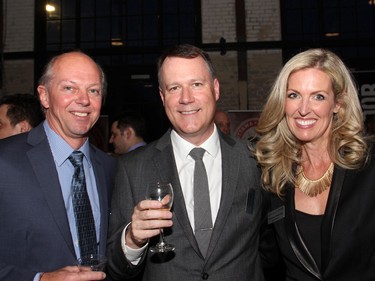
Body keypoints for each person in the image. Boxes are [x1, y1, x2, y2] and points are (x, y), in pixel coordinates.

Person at [106, 44, 264, 281]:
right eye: (174, 88)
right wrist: (132, 240)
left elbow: (272, 246)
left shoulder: (254, 159)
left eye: (197, 84)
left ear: (216, 89)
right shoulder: (132, 168)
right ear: (162, 97)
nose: (186, 98)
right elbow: (116, 269)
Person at [254, 48, 375, 280]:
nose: (303, 109)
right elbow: (264, 256)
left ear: (338, 103)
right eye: (293, 95)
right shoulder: (272, 173)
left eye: (318, 96)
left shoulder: (368, 165)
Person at [0, 51, 116, 281]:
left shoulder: (110, 167)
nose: (84, 100)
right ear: (44, 96)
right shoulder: (5, 161)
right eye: (69, 88)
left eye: (93, 90)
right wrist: (39, 279)